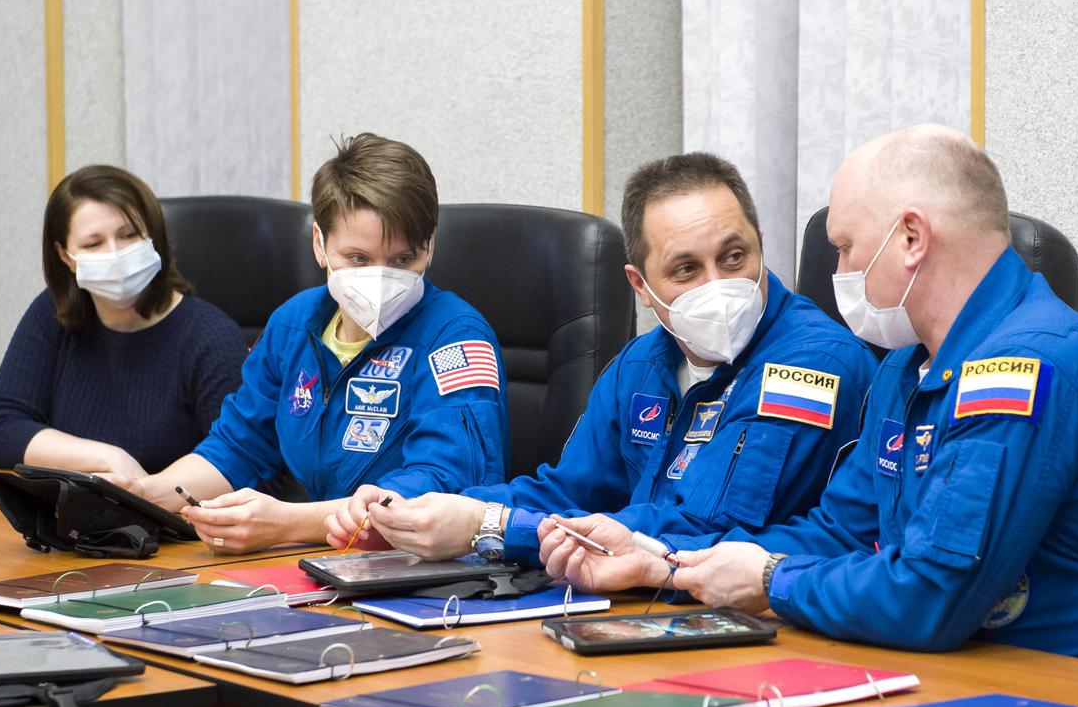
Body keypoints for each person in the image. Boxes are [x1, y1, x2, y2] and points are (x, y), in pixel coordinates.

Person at [541, 124, 1078, 684]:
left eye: (845, 248)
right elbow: (840, 532)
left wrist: (774, 580)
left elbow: (931, 591)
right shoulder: (907, 369)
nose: (837, 273)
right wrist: (662, 561)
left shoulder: (1024, 366)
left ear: (910, 238)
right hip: (1004, 675)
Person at [327, 152, 876, 566]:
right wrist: (413, 505)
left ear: (761, 244)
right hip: (636, 605)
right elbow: (567, 491)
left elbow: (700, 526)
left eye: (734, 257)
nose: (717, 284)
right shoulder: (641, 365)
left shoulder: (811, 366)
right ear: (640, 285)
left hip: (753, 625)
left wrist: (490, 526)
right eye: (686, 269)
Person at [122, 134, 509, 554]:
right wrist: (144, 493)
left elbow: (442, 487)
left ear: (430, 245)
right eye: (358, 259)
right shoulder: (294, 324)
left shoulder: (455, 337)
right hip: (325, 560)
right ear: (319, 244)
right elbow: (238, 445)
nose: (381, 278)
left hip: (419, 569)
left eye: (403, 260)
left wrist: (287, 523)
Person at [0, 165, 247, 477]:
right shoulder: (53, 312)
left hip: (172, 508)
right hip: (73, 506)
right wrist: (109, 458)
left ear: (153, 237)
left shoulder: (210, 337)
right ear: (65, 256)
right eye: (93, 244)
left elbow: (244, 463)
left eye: (129, 235)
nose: (115, 254)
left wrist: (147, 490)